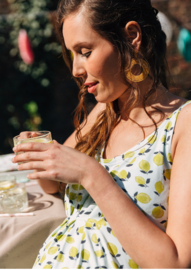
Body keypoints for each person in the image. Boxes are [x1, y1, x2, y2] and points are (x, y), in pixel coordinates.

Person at [12, 0, 191, 268]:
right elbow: (54, 185)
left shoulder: (183, 124)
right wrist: (42, 153)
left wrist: (91, 174)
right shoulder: (104, 112)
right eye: (73, 54)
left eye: (85, 51)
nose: (75, 69)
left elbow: (174, 263)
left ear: (131, 37)